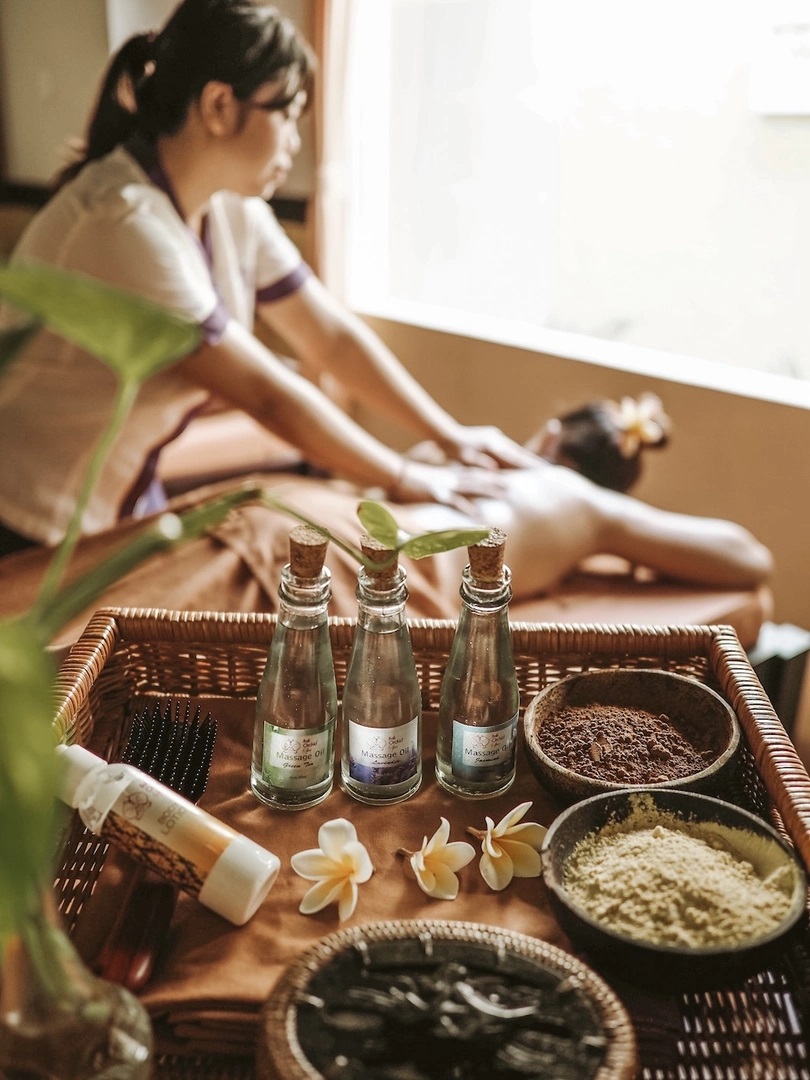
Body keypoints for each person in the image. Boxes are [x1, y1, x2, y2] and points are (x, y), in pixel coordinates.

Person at [0, 0, 535, 557]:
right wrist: (405, 476)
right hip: (25, 518)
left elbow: (329, 337)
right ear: (219, 106)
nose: (295, 143)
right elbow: (267, 396)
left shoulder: (228, 208)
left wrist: (450, 436)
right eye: (287, 115)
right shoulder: (123, 222)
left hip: (112, 507)